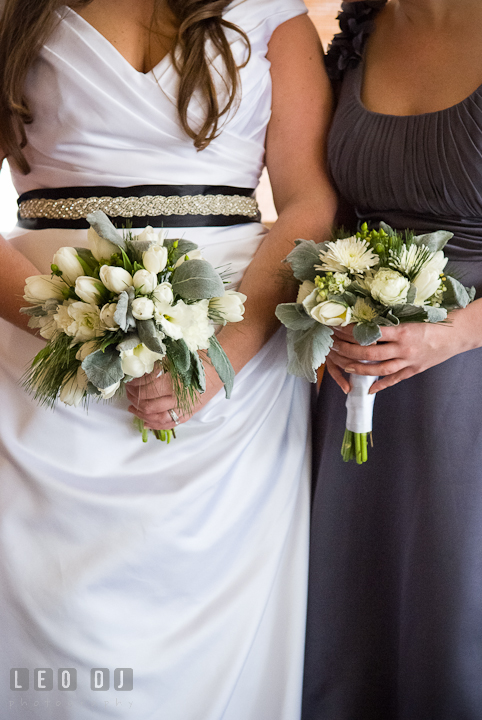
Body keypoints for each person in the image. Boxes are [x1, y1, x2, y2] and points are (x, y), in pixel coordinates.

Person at [0, 0, 336, 717]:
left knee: (214, 621)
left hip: (233, 360)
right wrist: (71, 324)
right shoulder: (15, 13)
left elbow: (309, 200)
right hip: (41, 360)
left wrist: (224, 357)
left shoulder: (276, 16)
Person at [302, 1, 482, 718]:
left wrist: (458, 335)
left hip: (466, 381)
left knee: (453, 600)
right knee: (348, 612)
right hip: (353, 373)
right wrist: (319, 314)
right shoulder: (357, 35)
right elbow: (323, 208)